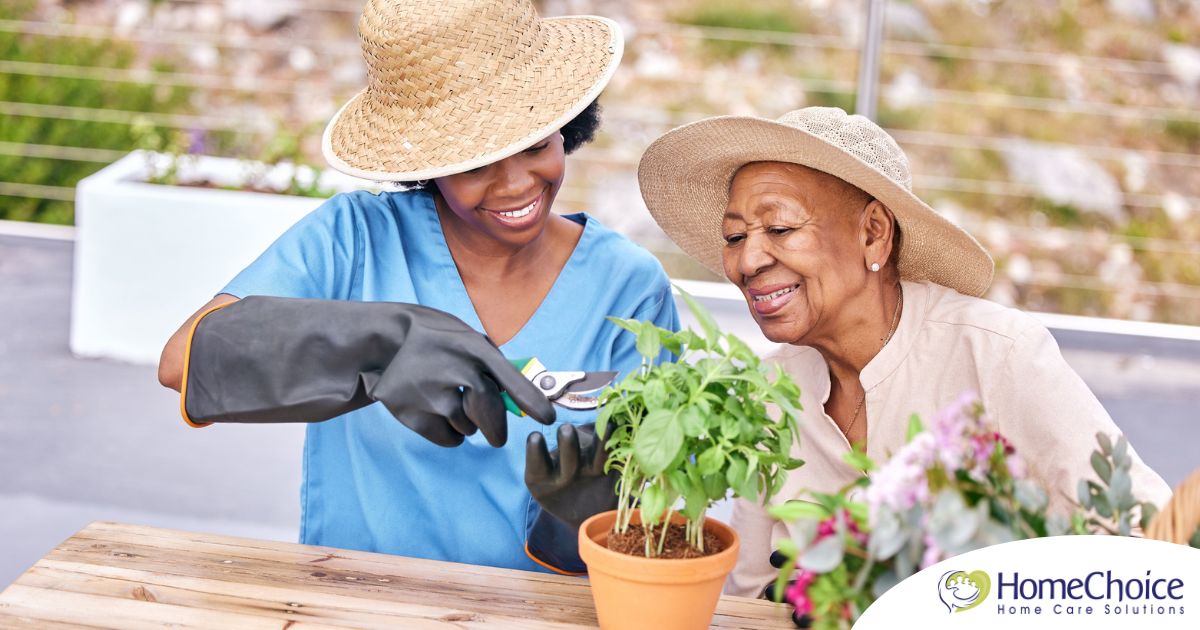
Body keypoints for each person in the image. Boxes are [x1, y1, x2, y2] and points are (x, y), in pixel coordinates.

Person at [157, 0, 677, 575]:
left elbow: (652, 486)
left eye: (536, 145)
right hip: (354, 602)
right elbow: (184, 362)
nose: (516, 184)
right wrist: (378, 344)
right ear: (430, 161)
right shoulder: (355, 238)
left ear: (570, 127)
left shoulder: (627, 287)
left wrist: (579, 522)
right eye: (477, 162)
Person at [636, 107, 1172, 604]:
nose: (747, 260)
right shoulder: (767, 396)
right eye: (735, 236)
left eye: (780, 228)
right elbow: (752, 595)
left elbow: (1152, 540)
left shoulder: (997, 354)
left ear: (873, 234)